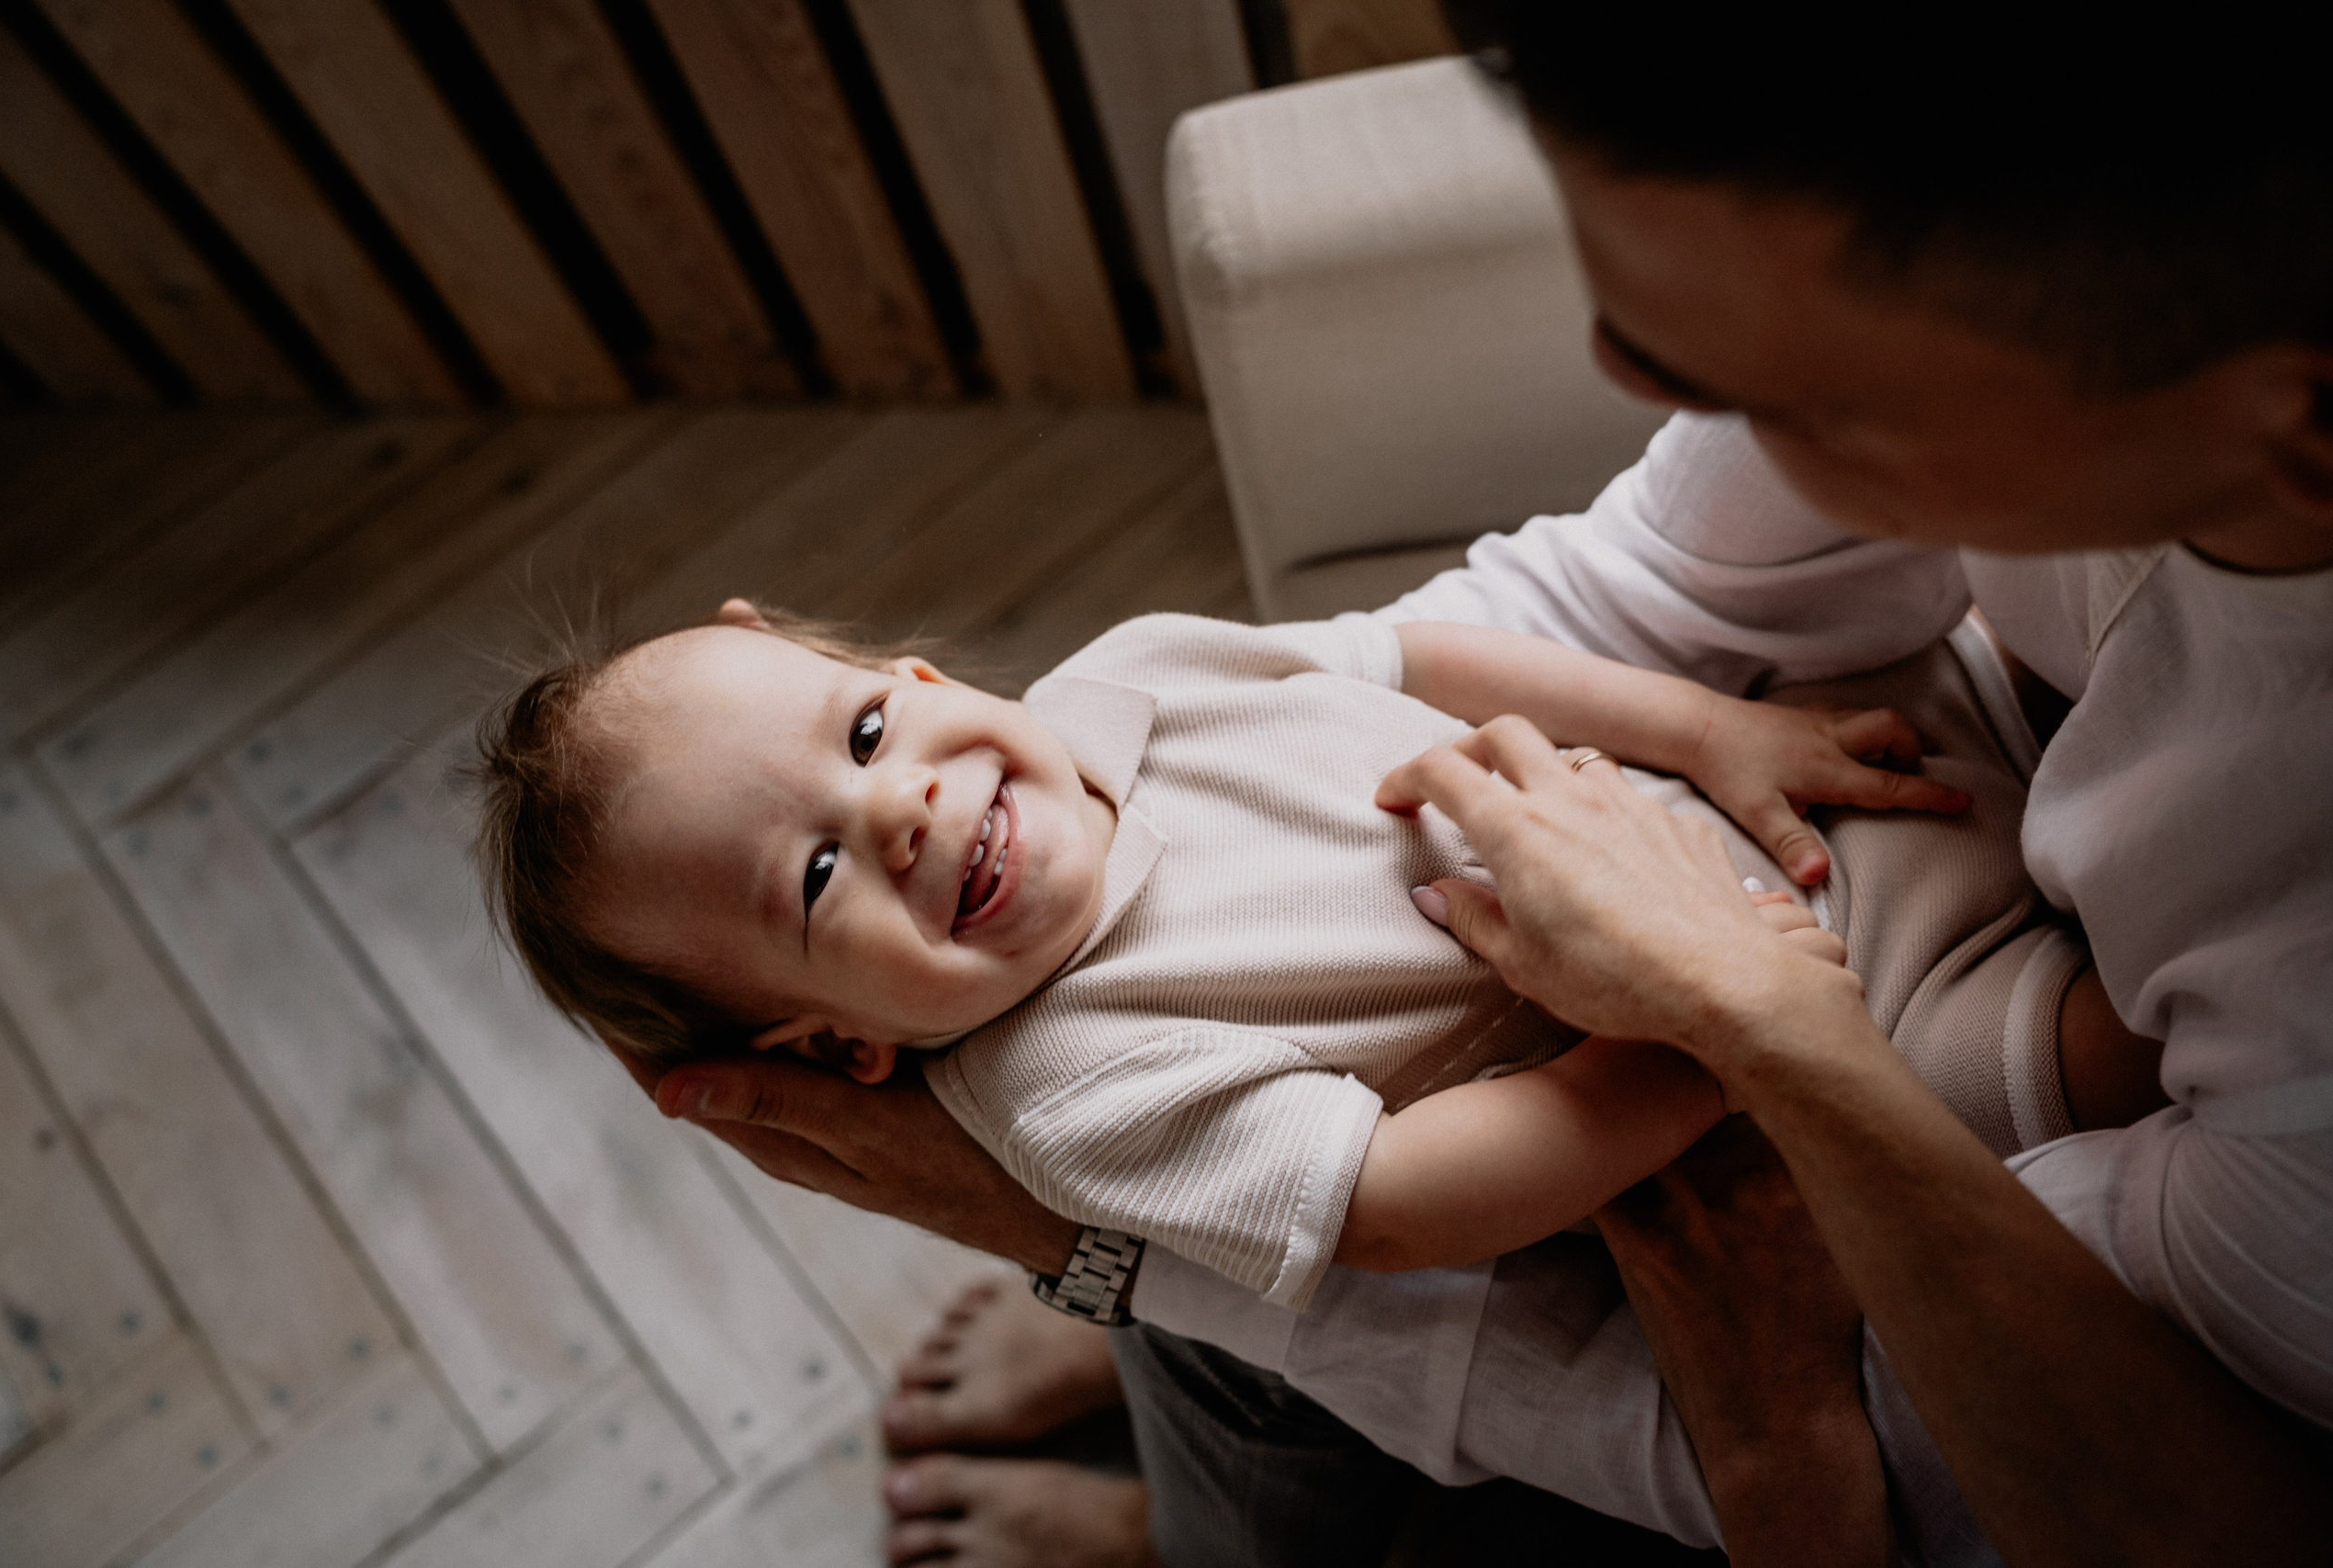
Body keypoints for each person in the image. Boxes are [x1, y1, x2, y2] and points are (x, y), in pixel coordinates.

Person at [614, 8, 2333, 1566]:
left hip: (1831, 1080)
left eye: (1775, 380)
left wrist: (1734, 1036)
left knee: (1220, 1341)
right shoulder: (1073, 1041)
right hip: (1779, 884)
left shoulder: (2303, 1062)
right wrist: (1704, 728)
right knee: (1210, 1303)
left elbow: (2009, 1458)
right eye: (817, 883)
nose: (1634, 384)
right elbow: (1463, 651)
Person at [477, 593, 2005, 1314]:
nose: (904, 809)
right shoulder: (1072, 1090)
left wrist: (1704, 724)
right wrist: (1705, 1038)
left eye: (869, 730)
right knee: (2095, 1042)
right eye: (814, 875)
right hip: (1825, 1043)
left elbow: (1420, 658)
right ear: (839, 1047)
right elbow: (1393, 1207)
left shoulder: (1133, 671)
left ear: (911, 670)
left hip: (1725, 824)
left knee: (1991, 754)